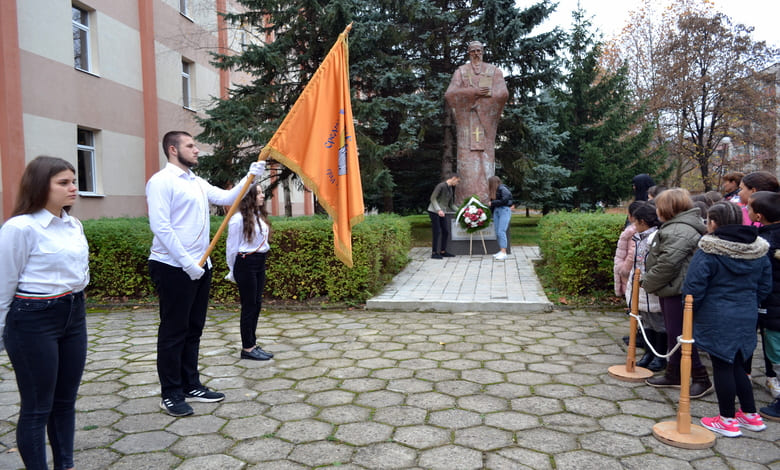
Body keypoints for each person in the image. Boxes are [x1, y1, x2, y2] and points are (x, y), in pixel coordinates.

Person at [147, 131, 265, 417]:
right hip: (174, 267)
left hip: (201, 267)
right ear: (173, 149)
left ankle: (191, 384)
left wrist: (250, 175)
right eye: (190, 146)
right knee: (174, 331)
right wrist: (187, 263)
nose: (197, 150)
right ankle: (171, 393)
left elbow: (227, 197)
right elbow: (161, 227)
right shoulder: (161, 182)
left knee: (194, 328)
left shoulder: (196, 182)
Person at [0, 156, 90, 470]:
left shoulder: (72, 224)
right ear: (41, 186)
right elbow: (4, 283)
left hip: (74, 313)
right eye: (63, 183)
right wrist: (1, 331)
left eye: (74, 181)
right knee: (38, 407)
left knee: (65, 402)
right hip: (33, 319)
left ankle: (66, 464)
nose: (73, 188)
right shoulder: (20, 228)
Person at [683, 201, 771, 437]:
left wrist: (690, 310)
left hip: (716, 315)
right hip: (746, 313)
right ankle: (750, 414)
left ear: (713, 222)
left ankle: (727, 419)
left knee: (722, 363)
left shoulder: (708, 251)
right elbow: (765, 286)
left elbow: (694, 287)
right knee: (738, 364)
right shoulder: (759, 250)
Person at [642, 188, 713, 398]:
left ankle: (701, 378)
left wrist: (647, 282)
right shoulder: (677, 227)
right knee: (675, 334)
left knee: (681, 335)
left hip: (677, 289)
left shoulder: (678, 230)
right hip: (672, 287)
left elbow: (668, 263)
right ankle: (673, 373)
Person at [445, 41, 508, 203]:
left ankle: (486, 199)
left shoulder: (494, 71)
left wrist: (482, 101)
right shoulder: (461, 72)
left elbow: (502, 94)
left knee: (485, 161)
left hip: (486, 122)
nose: (476, 53)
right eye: (473, 51)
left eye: (479, 50)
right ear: (468, 53)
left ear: (483, 52)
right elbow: (450, 94)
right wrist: (474, 92)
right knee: (466, 164)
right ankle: (464, 201)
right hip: (466, 122)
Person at [226, 183, 274, 361]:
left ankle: (252, 344)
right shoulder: (237, 219)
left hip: (260, 261)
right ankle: (247, 348)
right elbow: (231, 247)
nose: (262, 196)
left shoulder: (258, 215)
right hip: (245, 263)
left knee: (257, 303)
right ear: (249, 197)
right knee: (249, 306)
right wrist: (232, 270)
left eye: (262, 193)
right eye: (259, 193)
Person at [748, 191, 780, 413]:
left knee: (776, 351)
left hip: (772, 306)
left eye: (749, 208)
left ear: (758, 216)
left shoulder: (766, 243)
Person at [627, 202, 667, 372]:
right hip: (640, 285)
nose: (633, 225)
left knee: (658, 322)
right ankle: (648, 352)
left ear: (643, 222)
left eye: (635, 222)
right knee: (646, 321)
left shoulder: (654, 238)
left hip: (651, 286)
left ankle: (660, 355)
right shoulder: (640, 237)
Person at [614, 201, 644, 298]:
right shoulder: (635, 231)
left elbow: (632, 253)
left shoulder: (633, 232)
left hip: (630, 274)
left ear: (631, 216)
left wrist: (624, 270)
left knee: (633, 299)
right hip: (631, 273)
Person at [427, 173, 460, 259]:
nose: (457, 183)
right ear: (454, 178)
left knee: (445, 231)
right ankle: (434, 253)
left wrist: (461, 211)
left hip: (442, 212)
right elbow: (433, 198)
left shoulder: (450, 189)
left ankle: (443, 251)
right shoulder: (441, 186)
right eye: (457, 181)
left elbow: (451, 204)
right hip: (434, 211)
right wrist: (438, 210)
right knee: (437, 231)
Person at [488, 176, 513, 261]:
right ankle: (501, 251)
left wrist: (492, 203)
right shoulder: (494, 191)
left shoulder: (503, 188)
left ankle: (503, 252)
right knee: (497, 231)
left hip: (504, 210)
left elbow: (506, 200)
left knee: (501, 231)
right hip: (497, 211)